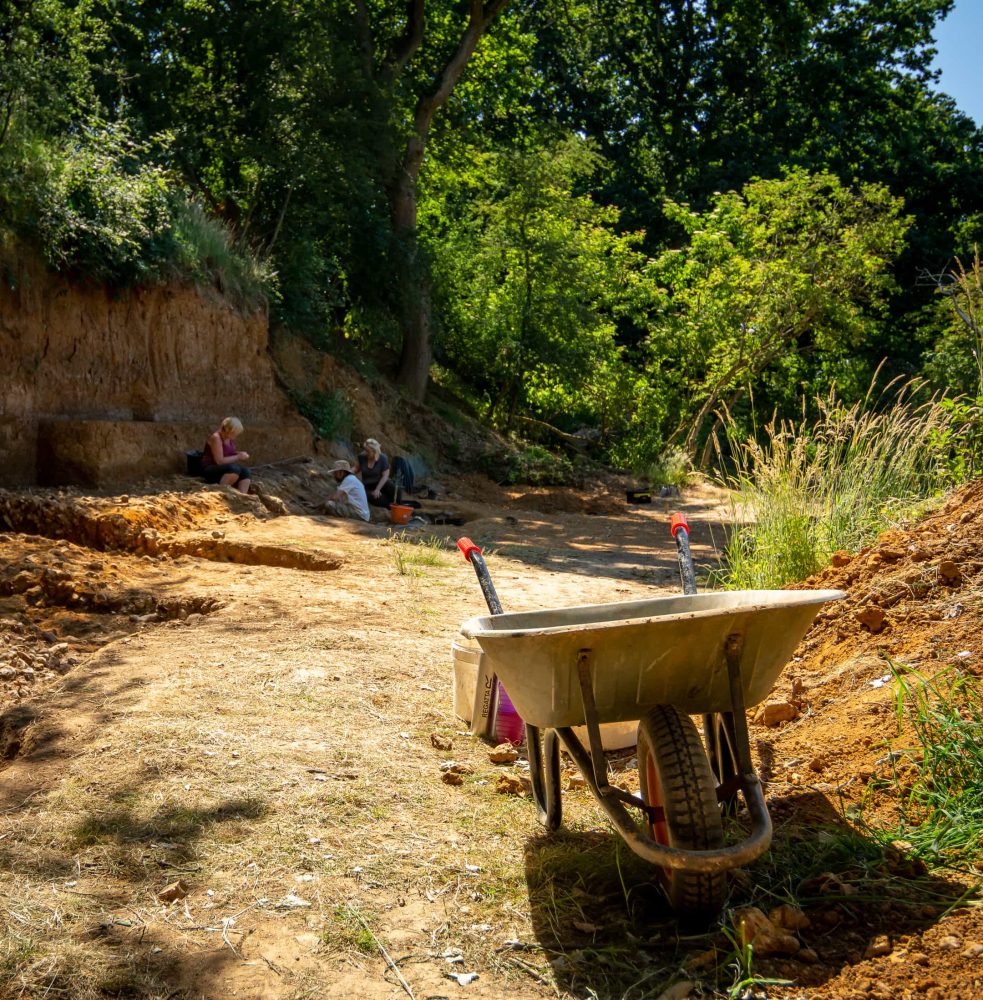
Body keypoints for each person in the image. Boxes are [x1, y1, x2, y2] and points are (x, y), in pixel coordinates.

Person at [201, 416, 251, 493]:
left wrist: (238, 453)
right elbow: (219, 461)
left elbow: (228, 453)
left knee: (245, 471)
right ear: (229, 430)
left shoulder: (228, 438)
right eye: (234, 433)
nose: (235, 436)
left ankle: (243, 496)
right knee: (234, 469)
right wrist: (238, 457)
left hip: (223, 468)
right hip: (210, 469)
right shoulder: (216, 438)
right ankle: (222, 492)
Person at [358, 437, 396, 507]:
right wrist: (348, 472)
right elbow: (356, 468)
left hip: (381, 483)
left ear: (374, 451)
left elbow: (385, 475)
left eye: (368, 451)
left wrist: (378, 489)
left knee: (392, 486)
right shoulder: (362, 457)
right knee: (370, 496)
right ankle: (388, 505)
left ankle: (394, 503)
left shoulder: (383, 458)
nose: (366, 453)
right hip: (368, 486)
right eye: (365, 450)